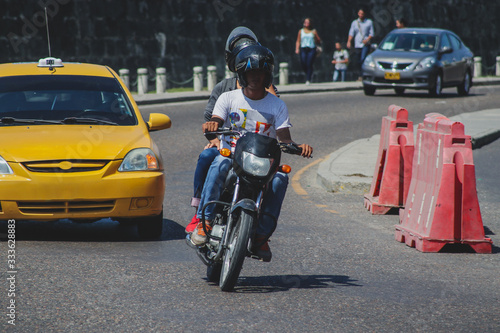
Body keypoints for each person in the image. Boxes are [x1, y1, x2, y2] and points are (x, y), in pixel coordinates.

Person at [190, 44, 313, 262]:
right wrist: (211, 125)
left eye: (261, 72)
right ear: (242, 74)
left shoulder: (277, 105)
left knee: (281, 179)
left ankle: (261, 236)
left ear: (268, 75)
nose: (256, 77)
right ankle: (204, 222)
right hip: (232, 157)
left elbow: (284, 139)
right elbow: (216, 120)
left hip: (261, 162)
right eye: (251, 72)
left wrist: (299, 146)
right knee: (219, 163)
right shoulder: (228, 98)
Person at [186, 27, 279, 234]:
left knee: (276, 178)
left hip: (256, 149)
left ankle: (261, 231)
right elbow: (210, 120)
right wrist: (216, 140)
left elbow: (275, 113)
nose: (253, 75)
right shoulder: (223, 88)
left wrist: (267, 83)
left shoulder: (265, 86)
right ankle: (201, 210)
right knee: (207, 156)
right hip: (226, 144)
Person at [347, 8, 374, 80]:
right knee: (358, 61)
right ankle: (360, 74)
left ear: (364, 14)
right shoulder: (355, 23)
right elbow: (351, 33)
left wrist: (367, 40)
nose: (361, 15)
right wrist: (349, 41)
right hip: (357, 44)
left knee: (363, 59)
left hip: (365, 44)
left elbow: (371, 33)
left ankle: (364, 75)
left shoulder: (369, 22)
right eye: (359, 13)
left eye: (362, 14)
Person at [295, 17, 322, 85]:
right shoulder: (301, 31)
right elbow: (298, 41)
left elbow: (318, 40)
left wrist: (315, 36)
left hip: (311, 49)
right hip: (303, 48)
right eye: (305, 22)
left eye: (308, 22)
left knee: (309, 63)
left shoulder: (313, 31)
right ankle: (309, 73)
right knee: (303, 63)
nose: (306, 23)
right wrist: (297, 48)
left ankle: (308, 79)